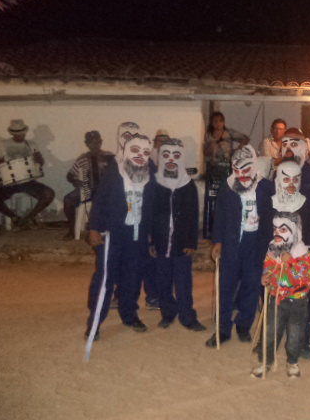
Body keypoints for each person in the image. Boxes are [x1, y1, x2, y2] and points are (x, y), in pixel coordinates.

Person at [85, 133, 156, 340]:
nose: (140, 155)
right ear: (126, 151)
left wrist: (155, 234)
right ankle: (95, 322)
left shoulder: (151, 171)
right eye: (135, 150)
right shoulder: (113, 170)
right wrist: (95, 228)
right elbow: (100, 200)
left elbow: (155, 204)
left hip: (138, 233)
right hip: (113, 233)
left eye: (145, 151)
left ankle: (130, 315)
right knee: (105, 277)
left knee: (133, 276)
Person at [205, 145, 274, 347]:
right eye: (237, 171)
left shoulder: (267, 187)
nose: (242, 175)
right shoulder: (228, 187)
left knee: (251, 286)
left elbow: (275, 215)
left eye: (246, 170)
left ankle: (244, 325)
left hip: (256, 243)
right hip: (232, 242)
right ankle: (222, 329)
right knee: (225, 287)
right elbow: (219, 215)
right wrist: (218, 241)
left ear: (254, 166)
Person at [250, 211, 310, 379]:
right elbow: (268, 268)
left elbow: (306, 279)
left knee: (295, 334)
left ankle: (293, 361)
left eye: (283, 229)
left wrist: (291, 262)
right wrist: (265, 277)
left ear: (295, 231)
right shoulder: (273, 250)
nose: (277, 233)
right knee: (270, 332)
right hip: (275, 299)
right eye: (275, 229)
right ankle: (266, 361)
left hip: (297, 302)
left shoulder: (304, 254)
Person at [271, 161, 310, 359]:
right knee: (273, 305)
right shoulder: (270, 204)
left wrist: (301, 262)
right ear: (278, 179)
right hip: (275, 262)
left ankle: (303, 342)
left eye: (296, 179)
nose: (292, 184)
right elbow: (264, 235)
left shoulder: (306, 205)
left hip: (297, 265)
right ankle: (269, 342)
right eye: (286, 179)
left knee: (300, 305)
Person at [151, 138, 206, 331]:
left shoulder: (188, 185)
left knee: (183, 282)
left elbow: (193, 215)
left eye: (176, 156)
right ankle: (168, 312)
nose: (171, 160)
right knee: (163, 281)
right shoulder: (155, 183)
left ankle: (187, 317)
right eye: (166, 155)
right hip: (160, 241)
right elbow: (150, 213)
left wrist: (191, 242)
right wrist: (151, 240)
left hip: (182, 242)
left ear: (181, 158)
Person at [280, 127, 310, 326]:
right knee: (286, 267)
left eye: (294, 143)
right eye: (285, 144)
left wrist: (305, 216)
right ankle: (287, 305)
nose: (289, 148)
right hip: (285, 230)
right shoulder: (278, 171)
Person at [0, 119, 55, 230]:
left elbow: (41, 163)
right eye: (17, 133)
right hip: (8, 183)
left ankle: (30, 217)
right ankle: (15, 218)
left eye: (21, 133)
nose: (19, 135)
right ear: (12, 133)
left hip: (28, 182)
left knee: (49, 193)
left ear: (25, 132)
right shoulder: (3, 144)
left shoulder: (32, 145)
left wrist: (39, 160)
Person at [203, 112, 249, 238]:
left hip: (226, 169)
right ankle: (209, 231)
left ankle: (224, 229)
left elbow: (245, 138)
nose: (218, 124)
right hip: (212, 170)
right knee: (211, 200)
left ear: (224, 122)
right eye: (215, 121)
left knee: (225, 197)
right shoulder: (208, 135)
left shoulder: (229, 133)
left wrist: (236, 151)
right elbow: (205, 152)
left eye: (220, 121)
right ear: (212, 123)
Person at [62, 131, 115, 240]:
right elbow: (70, 175)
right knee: (68, 200)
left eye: (97, 142)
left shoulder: (109, 156)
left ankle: (109, 229)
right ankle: (72, 229)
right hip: (87, 190)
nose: (94, 145)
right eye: (91, 142)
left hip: (107, 191)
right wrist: (75, 181)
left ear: (101, 142)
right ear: (86, 144)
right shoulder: (82, 158)